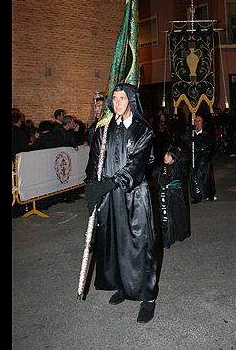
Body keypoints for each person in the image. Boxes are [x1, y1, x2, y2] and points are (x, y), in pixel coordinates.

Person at [84, 83, 158, 323]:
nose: (117, 103)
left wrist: (110, 183)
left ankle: (147, 297)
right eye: (114, 98)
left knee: (139, 245)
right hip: (110, 197)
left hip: (134, 195)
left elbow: (137, 165)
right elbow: (94, 160)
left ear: (131, 101)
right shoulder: (103, 130)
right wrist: (91, 188)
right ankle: (124, 287)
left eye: (122, 98)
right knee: (113, 242)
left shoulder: (142, 130)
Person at [150, 146, 190, 248]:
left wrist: (180, 150)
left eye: (168, 155)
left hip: (174, 194)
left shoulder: (177, 167)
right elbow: (153, 174)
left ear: (174, 158)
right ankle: (167, 238)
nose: (165, 157)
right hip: (165, 194)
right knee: (166, 216)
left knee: (176, 214)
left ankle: (178, 234)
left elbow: (163, 180)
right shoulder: (163, 167)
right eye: (165, 154)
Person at [181, 115, 216, 204]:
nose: (197, 123)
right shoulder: (190, 133)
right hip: (192, 159)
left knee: (205, 177)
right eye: (195, 121)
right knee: (194, 178)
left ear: (202, 123)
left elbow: (208, 145)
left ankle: (208, 194)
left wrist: (199, 144)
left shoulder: (206, 134)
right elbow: (184, 141)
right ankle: (197, 196)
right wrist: (190, 132)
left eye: (199, 121)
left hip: (202, 159)